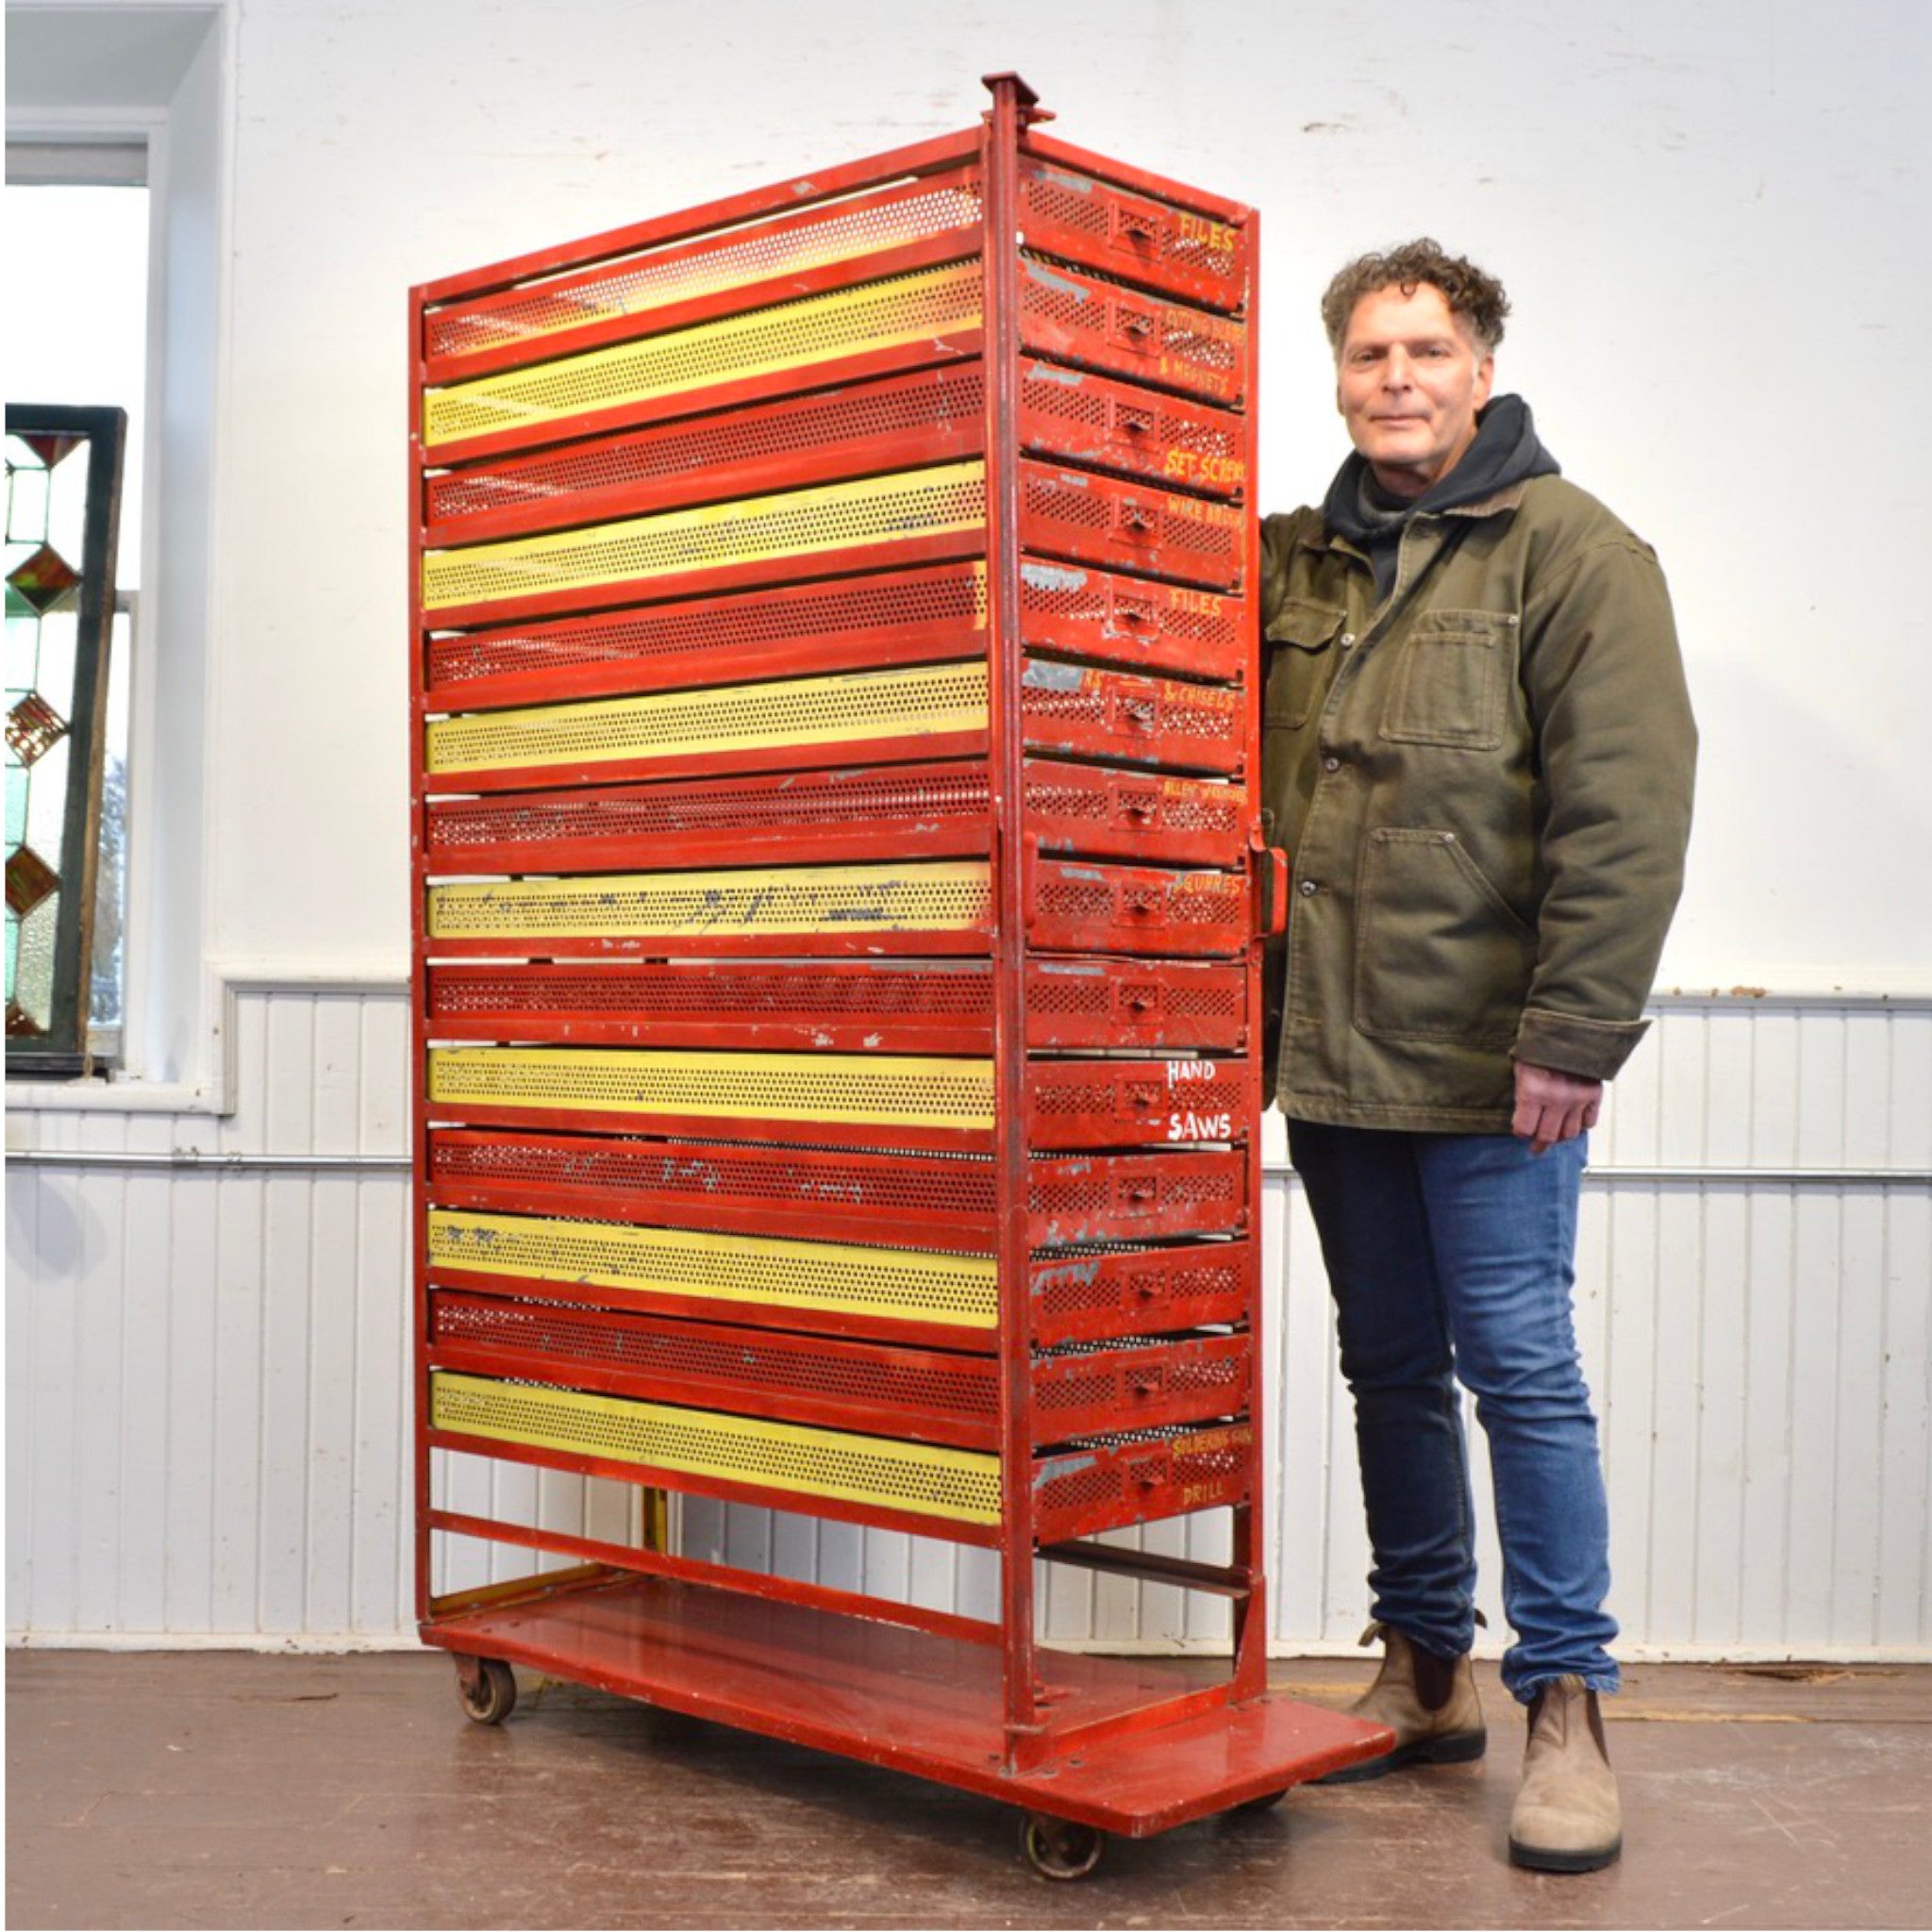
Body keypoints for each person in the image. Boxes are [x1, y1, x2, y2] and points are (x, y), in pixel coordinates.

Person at [1259, 239, 1696, 1873]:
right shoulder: (1297, 563)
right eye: (1370, 354)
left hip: (1495, 1063)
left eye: (1426, 352)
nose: (1397, 380)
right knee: (1387, 1367)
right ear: (1341, 374)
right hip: (1337, 1055)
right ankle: (1424, 1665)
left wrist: (1576, 1033)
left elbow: (1626, 817)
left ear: (1483, 366)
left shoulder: (1576, 553)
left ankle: (1566, 1703)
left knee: (1521, 1373)